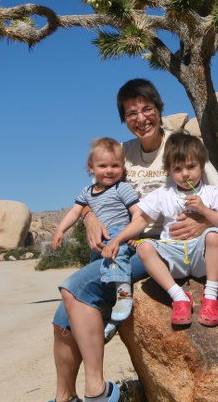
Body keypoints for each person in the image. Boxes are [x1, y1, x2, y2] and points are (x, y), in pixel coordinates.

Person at [50, 79, 218, 402]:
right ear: (124, 119)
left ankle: (98, 391)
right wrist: (89, 218)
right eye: (131, 112)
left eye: (147, 108)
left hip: (153, 246)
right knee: (62, 320)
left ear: (159, 109)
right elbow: (92, 196)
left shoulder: (180, 149)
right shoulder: (122, 153)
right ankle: (64, 397)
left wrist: (202, 221)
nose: (141, 117)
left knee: (74, 288)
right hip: (119, 242)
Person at [101, 133, 218, 327]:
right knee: (144, 247)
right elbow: (140, 221)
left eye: (191, 167)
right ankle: (179, 297)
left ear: (201, 165)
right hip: (173, 260)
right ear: (169, 171)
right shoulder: (164, 194)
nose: (186, 174)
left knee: (214, 234)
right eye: (178, 169)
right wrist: (117, 240)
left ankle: (211, 296)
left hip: (201, 258)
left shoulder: (212, 193)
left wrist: (205, 211)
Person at [50, 138, 140, 332]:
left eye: (115, 165)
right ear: (91, 167)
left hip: (118, 233)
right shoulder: (87, 192)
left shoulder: (122, 188)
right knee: (98, 270)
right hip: (97, 240)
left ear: (122, 167)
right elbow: (75, 212)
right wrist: (60, 229)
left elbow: (137, 212)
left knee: (118, 258)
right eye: (103, 165)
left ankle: (124, 293)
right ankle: (106, 311)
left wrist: (134, 232)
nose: (109, 170)